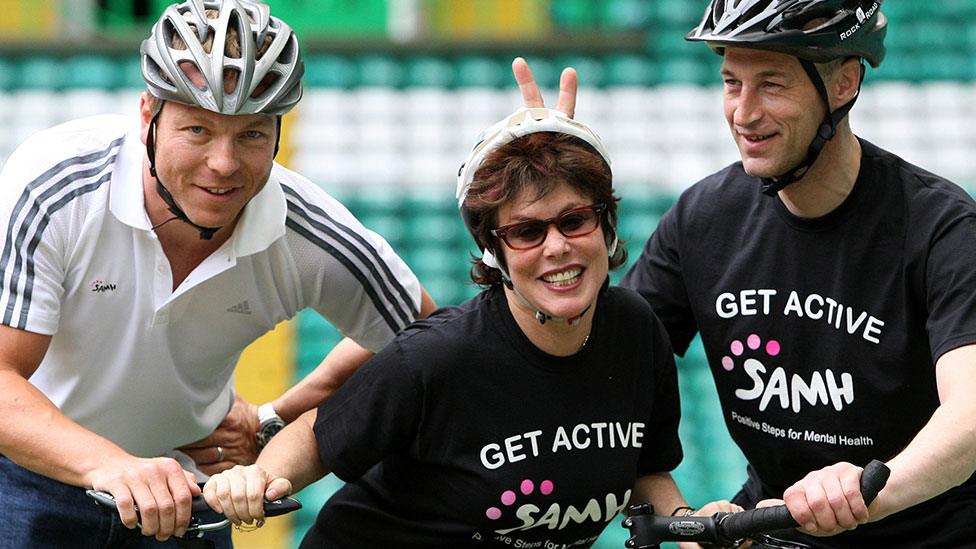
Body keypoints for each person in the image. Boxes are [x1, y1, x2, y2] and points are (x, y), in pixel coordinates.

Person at [515, 1, 976, 547]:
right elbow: (599, 387)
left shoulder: (941, 225)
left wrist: (862, 493)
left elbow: (969, 418)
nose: (744, 112)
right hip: (764, 531)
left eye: (772, 85)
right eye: (732, 83)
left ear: (845, 83)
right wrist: (686, 520)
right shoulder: (703, 218)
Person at [0, 0, 435, 546]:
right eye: (198, 130)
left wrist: (275, 419)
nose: (224, 163)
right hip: (26, 481)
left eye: (252, 134)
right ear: (146, 116)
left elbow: (427, 345)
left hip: (189, 499)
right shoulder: (56, 186)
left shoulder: (309, 232)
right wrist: (116, 468)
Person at [201, 107, 738, 548]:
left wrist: (692, 528)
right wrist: (260, 478)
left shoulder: (634, 330)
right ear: (494, 251)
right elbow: (320, 436)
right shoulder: (438, 357)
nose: (558, 247)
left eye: (575, 220)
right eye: (527, 232)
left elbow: (645, 472)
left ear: (606, 226)